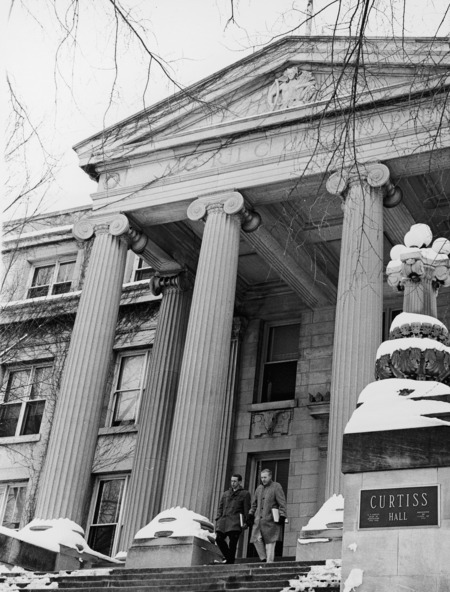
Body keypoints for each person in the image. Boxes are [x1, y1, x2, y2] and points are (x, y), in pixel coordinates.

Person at [246, 468, 287, 563]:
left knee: (270, 543)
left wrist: (282, 514)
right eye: (261, 477)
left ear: (270, 477)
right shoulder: (259, 488)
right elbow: (254, 504)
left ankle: (269, 563)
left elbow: (282, 502)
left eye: (265, 477)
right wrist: (250, 514)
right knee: (256, 539)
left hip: (271, 520)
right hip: (258, 520)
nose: (263, 479)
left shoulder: (276, 486)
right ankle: (263, 558)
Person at [215, 474, 251, 564]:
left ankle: (230, 561)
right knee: (218, 539)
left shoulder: (245, 494)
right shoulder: (226, 494)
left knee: (233, 543)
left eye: (235, 481)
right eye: (232, 481)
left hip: (236, 521)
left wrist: (247, 521)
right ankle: (229, 559)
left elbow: (247, 508)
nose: (233, 483)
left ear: (239, 482)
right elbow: (220, 507)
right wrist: (218, 518)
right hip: (224, 521)